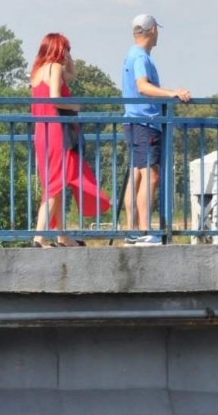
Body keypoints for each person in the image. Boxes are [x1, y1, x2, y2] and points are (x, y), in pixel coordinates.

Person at [30, 33, 111, 247]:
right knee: (55, 184)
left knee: (54, 183)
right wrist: (74, 106)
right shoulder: (54, 68)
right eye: (65, 49)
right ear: (58, 49)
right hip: (57, 131)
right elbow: (55, 98)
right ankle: (39, 237)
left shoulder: (37, 71)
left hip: (41, 132)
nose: (67, 54)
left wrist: (68, 55)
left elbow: (72, 74)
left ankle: (62, 236)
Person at [120, 13, 190, 245]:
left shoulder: (132, 54)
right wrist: (171, 93)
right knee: (151, 175)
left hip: (134, 121)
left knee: (138, 174)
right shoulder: (141, 57)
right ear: (152, 31)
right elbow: (142, 86)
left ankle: (133, 231)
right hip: (145, 121)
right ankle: (144, 230)